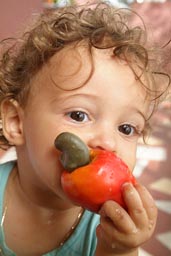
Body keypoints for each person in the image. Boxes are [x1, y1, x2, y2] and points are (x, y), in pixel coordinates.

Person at [0, 2, 169, 256]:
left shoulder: (108, 226)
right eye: (78, 115)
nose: (108, 143)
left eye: (126, 128)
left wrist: (120, 248)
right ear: (16, 122)